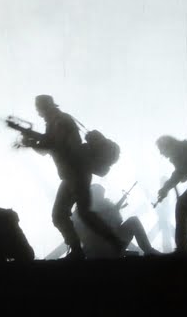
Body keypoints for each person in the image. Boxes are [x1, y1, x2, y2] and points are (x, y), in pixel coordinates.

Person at [17, 95, 124, 260]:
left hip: (77, 173)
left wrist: (31, 137)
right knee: (74, 214)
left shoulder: (61, 120)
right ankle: (106, 244)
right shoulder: (55, 122)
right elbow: (47, 148)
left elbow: (56, 144)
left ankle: (87, 248)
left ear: (45, 107)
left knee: (64, 214)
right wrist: (32, 141)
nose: (38, 113)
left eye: (39, 108)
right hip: (73, 174)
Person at [72, 184, 160, 259]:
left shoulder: (79, 211)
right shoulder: (103, 206)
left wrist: (113, 212)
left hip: (96, 251)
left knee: (133, 221)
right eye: (100, 194)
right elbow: (117, 224)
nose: (102, 197)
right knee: (133, 221)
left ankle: (149, 251)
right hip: (106, 250)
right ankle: (149, 251)